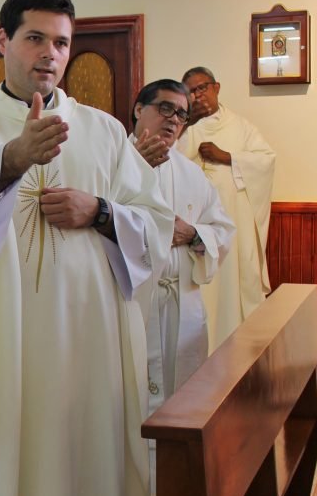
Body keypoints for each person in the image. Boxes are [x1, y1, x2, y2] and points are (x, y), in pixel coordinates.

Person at [0, 0, 172, 496]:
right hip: (7, 334)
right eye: (34, 37)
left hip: (91, 334)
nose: (49, 53)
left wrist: (100, 212)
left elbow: (154, 224)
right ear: (2, 41)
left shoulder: (102, 131)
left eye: (60, 42)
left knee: (88, 450)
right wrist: (11, 158)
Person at [129, 80, 233, 415]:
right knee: (132, 399)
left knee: (184, 400)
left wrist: (192, 232)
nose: (174, 119)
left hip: (181, 304)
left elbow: (224, 231)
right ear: (138, 109)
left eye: (182, 114)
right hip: (131, 303)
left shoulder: (193, 175)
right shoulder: (112, 163)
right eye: (165, 108)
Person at [177, 66, 276, 350]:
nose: (197, 95)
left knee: (234, 283)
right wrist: (188, 124)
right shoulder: (183, 127)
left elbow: (266, 160)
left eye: (202, 88)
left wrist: (229, 156)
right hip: (197, 229)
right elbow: (169, 164)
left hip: (236, 223)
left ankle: (238, 350)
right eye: (191, 92)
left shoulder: (241, 127)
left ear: (216, 88)